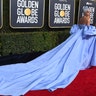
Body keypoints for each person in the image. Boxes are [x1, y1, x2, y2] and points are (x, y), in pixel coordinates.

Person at [0, 8, 96, 96]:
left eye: (88, 13)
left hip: (73, 52)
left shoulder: (86, 26)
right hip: (74, 56)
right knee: (43, 69)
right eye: (87, 13)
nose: (88, 13)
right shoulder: (89, 28)